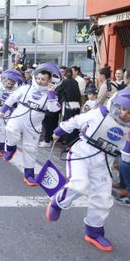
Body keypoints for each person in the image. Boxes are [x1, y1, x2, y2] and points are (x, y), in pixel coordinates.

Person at [47, 88, 130, 252]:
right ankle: (58, 202)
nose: (123, 114)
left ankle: (93, 232)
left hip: (104, 162)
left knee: (102, 198)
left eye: (129, 112)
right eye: (122, 108)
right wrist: (59, 131)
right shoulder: (100, 114)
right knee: (80, 184)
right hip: (82, 153)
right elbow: (77, 120)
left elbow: (126, 158)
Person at [0, 62, 62, 186]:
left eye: (43, 79)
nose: (40, 81)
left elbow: (54, 109)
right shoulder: (26, 88)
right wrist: (3, 110)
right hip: (19, 116)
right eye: (38, 78)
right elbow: (12, 98)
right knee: (10, 129)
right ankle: (11, 149)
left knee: (30, 148)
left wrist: (50, 94)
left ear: (50, 80)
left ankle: (29, 175)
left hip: (34, 124)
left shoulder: (51, 95)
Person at [56, 68, 82, 149]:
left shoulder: (65, 82)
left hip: (69, 106)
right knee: (74, 124)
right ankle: (73, 143)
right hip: (77, 105)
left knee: (68, 123)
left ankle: (68, 144)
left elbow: (58, 91)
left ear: (65, 74)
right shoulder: (75, 81)